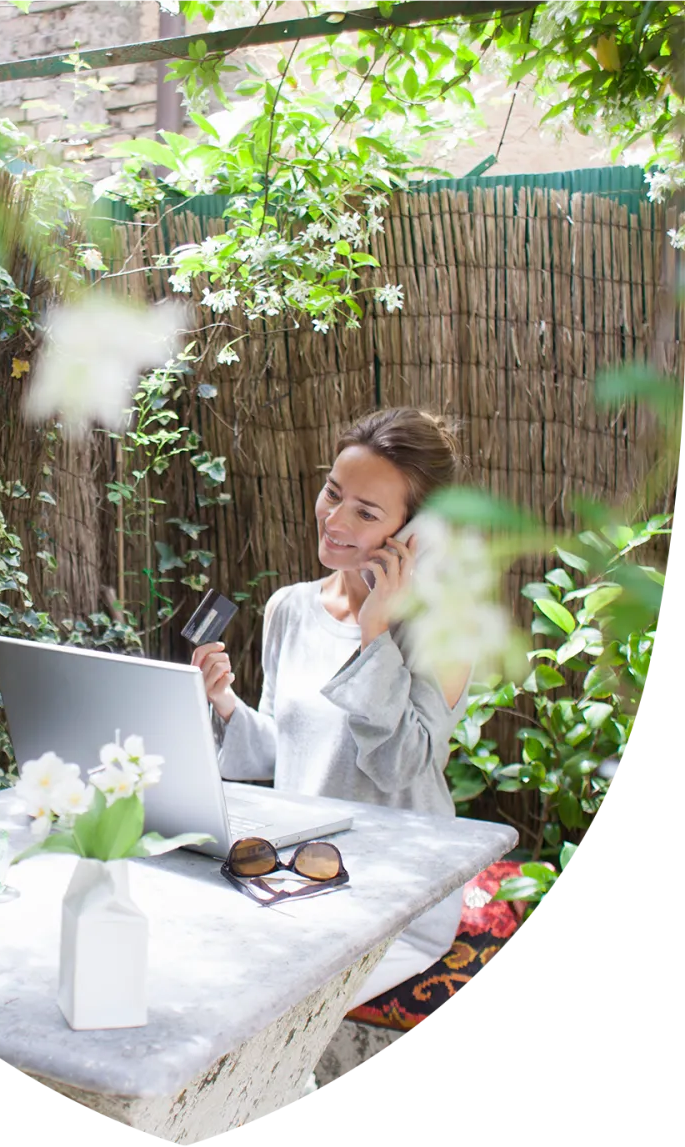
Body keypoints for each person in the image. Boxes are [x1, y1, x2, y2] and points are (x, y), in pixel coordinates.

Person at [192, 406, 473, 1008]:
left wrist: (377, 634)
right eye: (332, 493)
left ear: (415, 536)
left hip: (397, 894)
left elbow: (400, 767)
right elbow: (288, 752)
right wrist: (224, 703)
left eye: (366, 512)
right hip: (298, 876)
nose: (334, 519)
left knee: (263, 1001)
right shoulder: (288, 609)